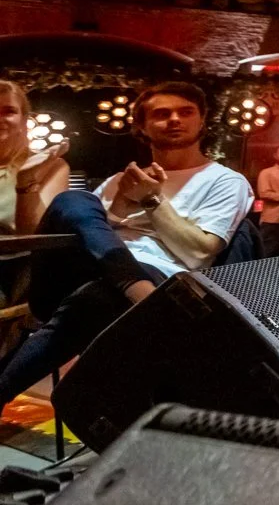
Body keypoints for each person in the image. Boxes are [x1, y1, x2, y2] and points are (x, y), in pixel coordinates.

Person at [0, 80, 252, 409]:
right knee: (74, 200)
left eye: (186, 112)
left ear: (202, 120)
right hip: (132, 292)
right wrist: (119, 204)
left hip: (156, 280)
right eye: (161, 114)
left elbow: (199, 252)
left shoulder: (226, 181)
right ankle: (134, 285)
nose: (174, 119)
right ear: (142, 127)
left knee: (97, 297)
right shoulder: (120, 180)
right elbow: (88, 231)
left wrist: (151, 200)